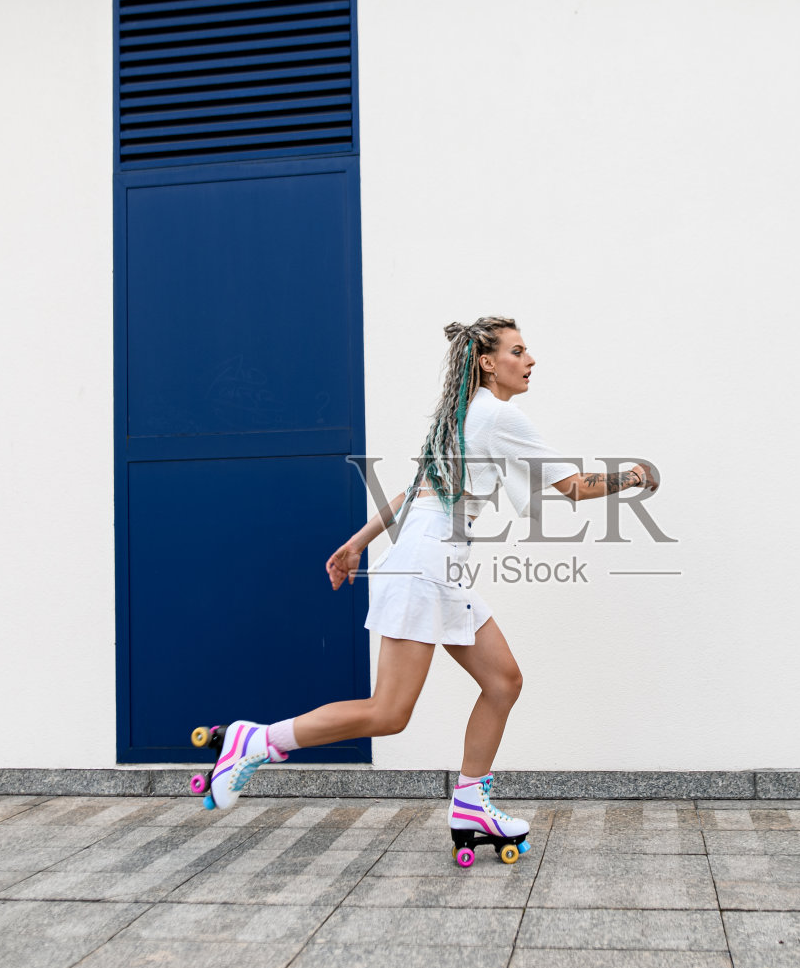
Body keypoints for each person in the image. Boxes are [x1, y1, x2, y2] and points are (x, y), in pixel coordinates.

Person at [202, 316, 660, 863]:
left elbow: (417, 487)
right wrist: (635, 475)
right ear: (488, 363)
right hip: (428, 567)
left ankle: (470, 801)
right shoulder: (497, 414)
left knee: (503, 681)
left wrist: (357, 543)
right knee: (388, 713)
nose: (530, 359)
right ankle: (255, 742)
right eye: (518, 351)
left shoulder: (464, 416)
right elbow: (575, 489)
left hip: (438, 565)